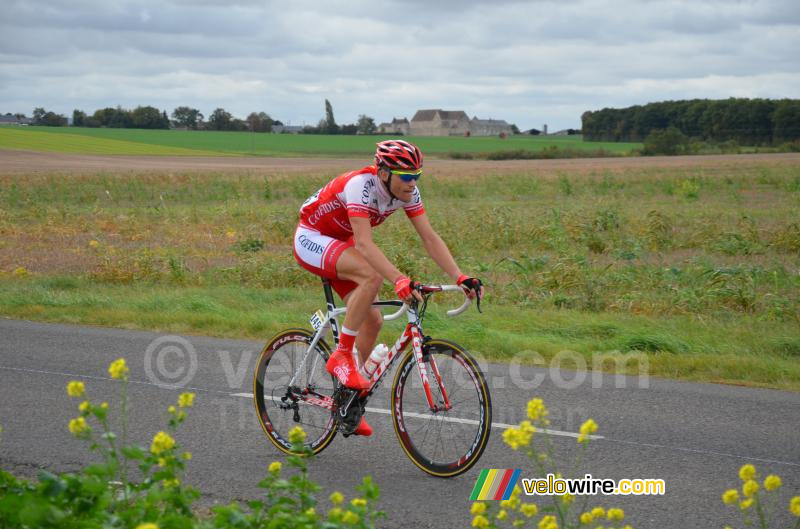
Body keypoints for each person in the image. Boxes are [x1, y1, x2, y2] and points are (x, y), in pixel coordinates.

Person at [293, 139, 484, 436]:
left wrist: (460, 276)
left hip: (338, 243)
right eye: (406, 176)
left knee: (373, 320)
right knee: (372, 276)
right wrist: (399, 279)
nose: (412, 182)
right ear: (384, 173)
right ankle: (341, 355)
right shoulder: (361, 186)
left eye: (417, 175)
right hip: (312, 237)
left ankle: (348, 401)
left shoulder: (408, 193)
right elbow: (365, 245)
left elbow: (429, 238)